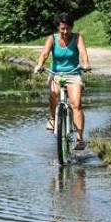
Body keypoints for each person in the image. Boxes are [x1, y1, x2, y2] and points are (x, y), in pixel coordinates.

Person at [33, 13, 91, 150]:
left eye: (68, 28)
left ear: (72, 27)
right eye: (62, 28)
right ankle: (53, 119)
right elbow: (44, 54)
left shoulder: (77, 38)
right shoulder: (52, 39)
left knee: (76, 104)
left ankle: (79, 139)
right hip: (56, 74)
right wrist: (40, 65)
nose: (65, 32)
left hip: (73, 73)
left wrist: (86, 64)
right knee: (53, 93)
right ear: (58, 28)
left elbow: (83, 53)